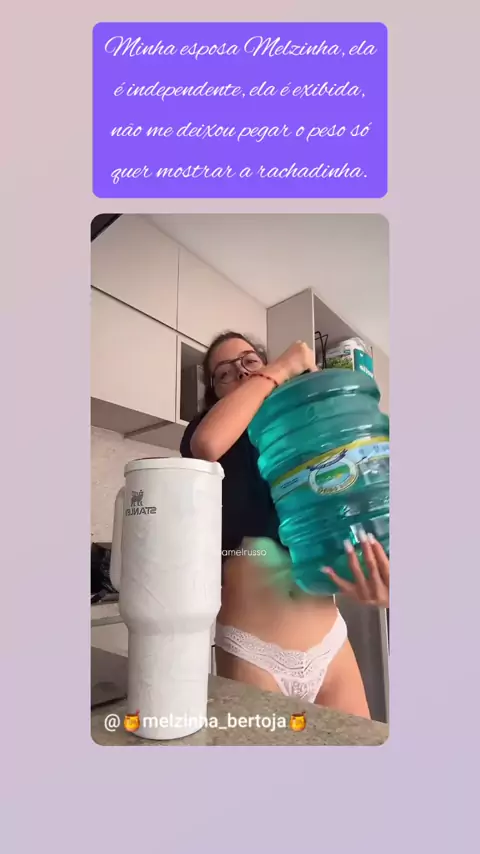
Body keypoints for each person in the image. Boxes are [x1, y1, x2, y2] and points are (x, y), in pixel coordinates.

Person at [180, 331, 390, 719]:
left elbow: (357, 504)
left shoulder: (302, 435)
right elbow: (206, 444)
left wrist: (381, 574)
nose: (241, 372)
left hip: (330, 642)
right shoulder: (210, 430)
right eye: (224, 373)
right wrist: (281, 367)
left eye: (249, 361)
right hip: (253, 651)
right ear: (213, 392)